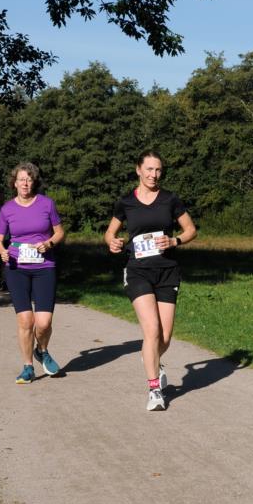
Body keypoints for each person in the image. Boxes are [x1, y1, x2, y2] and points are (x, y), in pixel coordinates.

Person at [104, 150, 197, 411]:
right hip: (138, 271)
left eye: (158, 170)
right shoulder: (125, 202)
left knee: (165, 337)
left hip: (167, 271)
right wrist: (112, 242)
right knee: (152, 330)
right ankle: (155, 388)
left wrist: (174, 240)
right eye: (149, 169)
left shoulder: (170, 199)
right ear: (138, 170)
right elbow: (109, 233)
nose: (154, 175)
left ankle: (152, 357)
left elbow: (191, 230)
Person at [0, 162, 65, 384]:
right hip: (17, 269)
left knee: (43, 323)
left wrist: (49, 244)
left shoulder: (47, 204)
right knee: (26, 320)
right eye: (21, 179)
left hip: (45, 267)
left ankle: (41, 350)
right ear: (14, 183)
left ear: (34, 182)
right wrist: (2, 252)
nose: (25, 183)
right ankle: (27, 366)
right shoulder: (7, 209)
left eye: (29, 179)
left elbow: (60, 232)